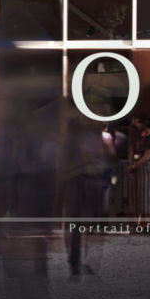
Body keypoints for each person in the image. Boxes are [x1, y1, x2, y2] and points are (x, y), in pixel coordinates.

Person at [58, 93, 118, 277]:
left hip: (79, 180)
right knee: (91, 224)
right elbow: (112, 157)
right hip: (93, 180)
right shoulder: (101, 134)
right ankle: (86, 262)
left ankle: (76, 263)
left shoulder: (76, 132)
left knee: (77, 224)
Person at [128, 114, 150, 232]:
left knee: (145, 196)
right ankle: (135, 225)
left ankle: (146, 225)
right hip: (134, 167)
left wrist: (134, 165)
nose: (136, 125)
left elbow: (147, 156)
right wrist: (131, 165)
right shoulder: (135, 136)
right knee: (134, 196)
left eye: (139, 122)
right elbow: (130, 151)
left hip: (144, 167)